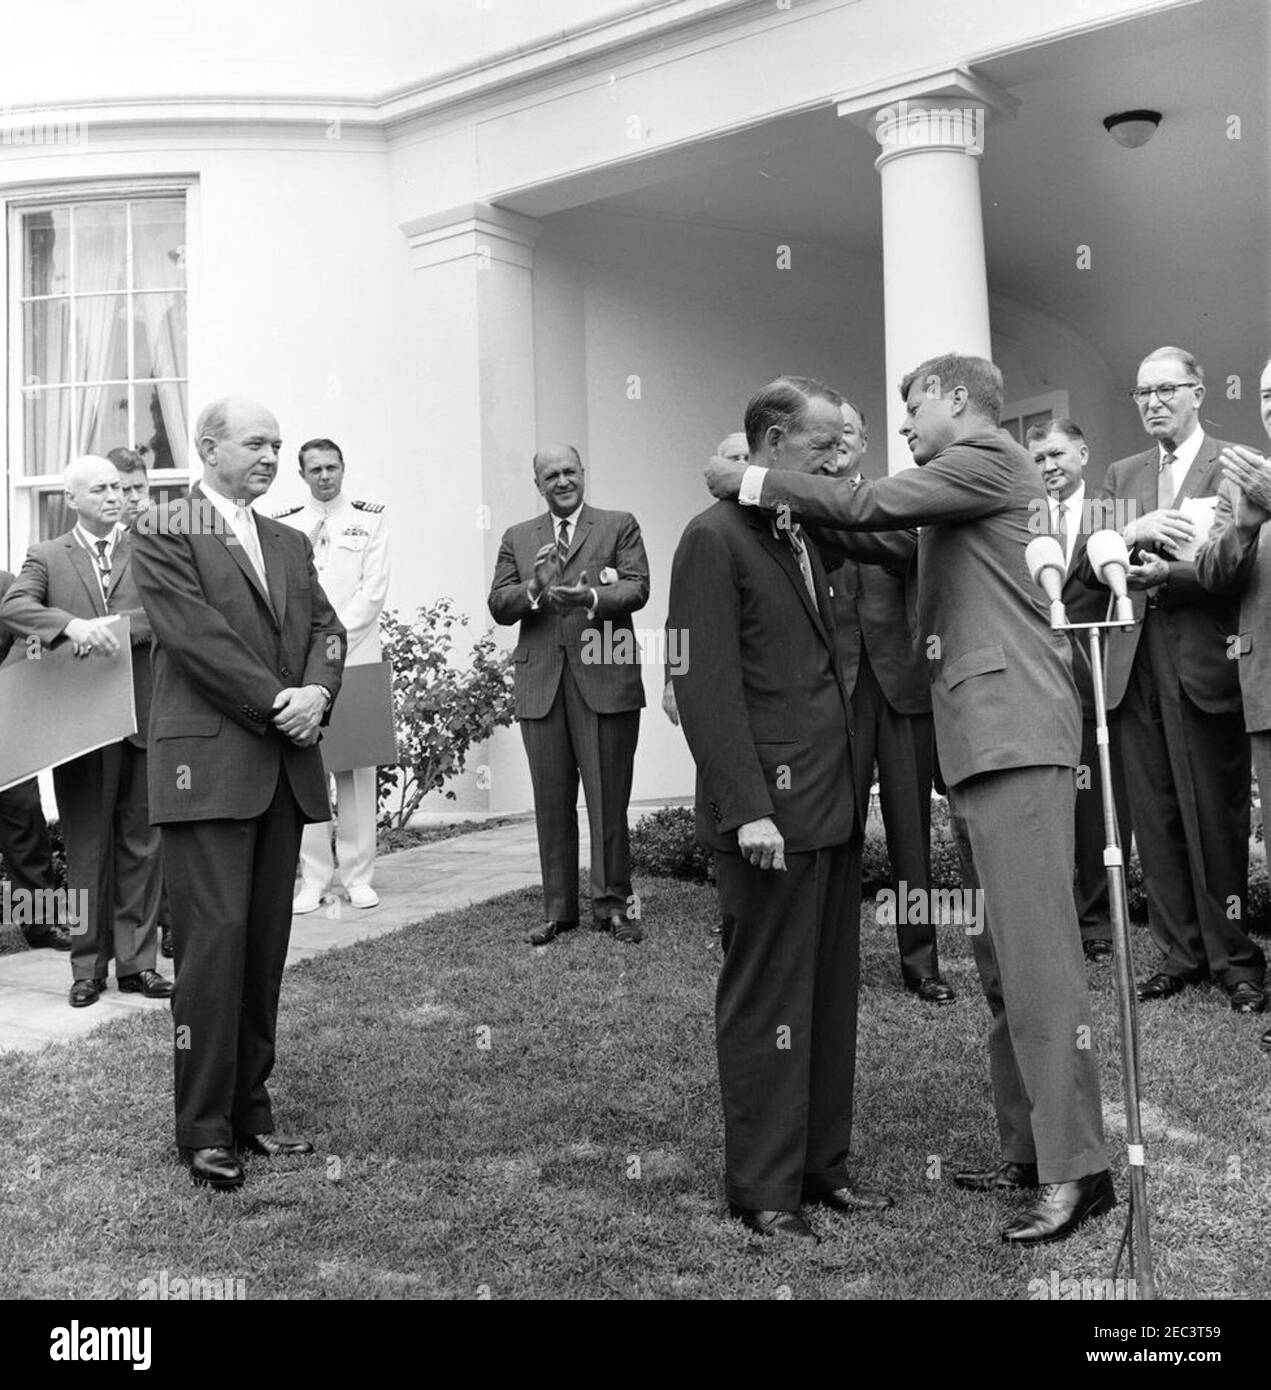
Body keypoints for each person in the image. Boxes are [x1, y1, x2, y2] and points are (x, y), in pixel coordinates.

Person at [706, 353, 1114, 1246]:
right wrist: (779, 510)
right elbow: (875, 539)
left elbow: (865, 508)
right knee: (1003, 964)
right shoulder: (956, 495)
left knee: (1039, 964)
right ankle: (1031, 1152)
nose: (900, 422)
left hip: (1013, 736)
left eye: (912, 402)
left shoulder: (985, 458)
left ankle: (1079, 1169)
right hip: (982, 743)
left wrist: (752, 479)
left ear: (957, 399)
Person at [671, 376, 891, 1240]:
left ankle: (821, 1167)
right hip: (767, 818)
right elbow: (703, 685)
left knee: (829, 1000)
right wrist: (747, 810)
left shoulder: (799, 527)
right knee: (769, 1004)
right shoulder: (711, 538)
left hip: (828, 808)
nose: (835, 459)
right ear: (769, 443)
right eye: (819, 445)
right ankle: (763, 1188)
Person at [131, 397, 346, 1191]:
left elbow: (328, 631)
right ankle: (203, 1128)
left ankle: (251, 1113)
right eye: (256, 443)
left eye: (277, 446)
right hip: (209, 776)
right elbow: (196, 639)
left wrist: (319, 693)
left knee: (261, 952)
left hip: (281, 773)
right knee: (212, 953)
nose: (270, 457)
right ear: (208, 446)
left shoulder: (288, 540)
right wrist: (280, 701)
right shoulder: (164, 526)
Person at [1077, 346, 1264, 1014]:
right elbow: (1084, 565)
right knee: (1153, 819)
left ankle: (1234, 959)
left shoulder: (1235, 463)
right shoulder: (1121, 474)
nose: (1153, 403)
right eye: (1142, 393)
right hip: (1133, 665)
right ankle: (1179, 955)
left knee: (1213, 814)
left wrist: (1171, 574)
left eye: (1166, 390)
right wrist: (1132, 530)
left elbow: (1239, 566)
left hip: (1204, 661)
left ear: (1197, 393)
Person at [0, 457, 170, 1008]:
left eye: (119, 487)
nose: (115, 496)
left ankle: (139, 965)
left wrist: (110, 630)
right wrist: (70, 626)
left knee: (142, 844)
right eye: (100, 489)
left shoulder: (149, 547)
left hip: (143, 716)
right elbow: (15, 607)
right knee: (87, 849)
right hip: (80, 727)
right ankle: (88, 968)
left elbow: (172, 611)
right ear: (72, 498)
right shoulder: (47, 555)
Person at [488, 445, 649, 946]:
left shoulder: (618, 525)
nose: (562, 481)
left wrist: (592, 597)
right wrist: (534, 587)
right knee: (551, 802)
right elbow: (498, 604)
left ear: (583, 473)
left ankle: (614, 907)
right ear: (538, 484)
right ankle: (558, 911)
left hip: (605, 679)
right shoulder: (518, 537)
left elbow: (637, 587)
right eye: (551, 475)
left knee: (607, 799)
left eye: (569, 472)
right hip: (541, 685)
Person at [822, 401, 953, 1004]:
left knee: (911, 835)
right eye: (828, 434)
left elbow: (904, 550)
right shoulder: (796, 511)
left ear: (865, 440)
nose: (838, 442)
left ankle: (921, 965)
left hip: (901, 688)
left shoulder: (894, 500)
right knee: (836, 831)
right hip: (836, 694)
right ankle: (833, 962)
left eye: (848, 431)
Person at [1026, 419, 1132, 964]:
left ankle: (1097, 923)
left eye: (1057, 454)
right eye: (1039, 459)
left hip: (1096, 679)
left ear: (1084, 453)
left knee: (1098, 807)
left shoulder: (1113, 514)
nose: (1048, 466)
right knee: (1046, 803)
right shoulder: (1024, 519)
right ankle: (1053, 917)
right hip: (1037, 679)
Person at [274, 439, 390, 914]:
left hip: (357, 655)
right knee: (309, 769)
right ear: (302, 475)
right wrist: (311, 651)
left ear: (344, 468)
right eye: (315, 469)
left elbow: (373, 590)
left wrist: (334, 642)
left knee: (357, 771)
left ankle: (358, 876)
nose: (325, 476)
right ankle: (314, 877)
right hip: (303, 664)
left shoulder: (371, 519)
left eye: (332, 467)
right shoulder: (284, 524)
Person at [1196, 354, 1271, 1051]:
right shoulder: (1245, 484)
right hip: (1265, 693)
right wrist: (1245, 523)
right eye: (1267, 395)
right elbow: (1213, 574)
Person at [109, 446, 174, 961]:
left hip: (156, 703)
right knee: (112, 836)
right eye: (122, 489)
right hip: (95, 715)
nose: (132, 499)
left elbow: (171, 612)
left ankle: (170, 925)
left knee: (159, 827)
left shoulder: (166, 538)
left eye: (139, 489)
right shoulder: (78, 549)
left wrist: (106, 629)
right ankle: (108, 947)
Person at [0, 568, 71, 953]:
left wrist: (9, 681)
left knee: (25, 822)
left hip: (6, 727)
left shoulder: (6, 586)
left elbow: (30, 639)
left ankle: (40, 925)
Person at [662, 432, 748, 730]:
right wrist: (674, 679)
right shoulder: (705, 530)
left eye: (747, 458)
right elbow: (680, 618)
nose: (741, 464)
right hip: (719, 684)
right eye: (733, 459)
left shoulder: (781, 523)